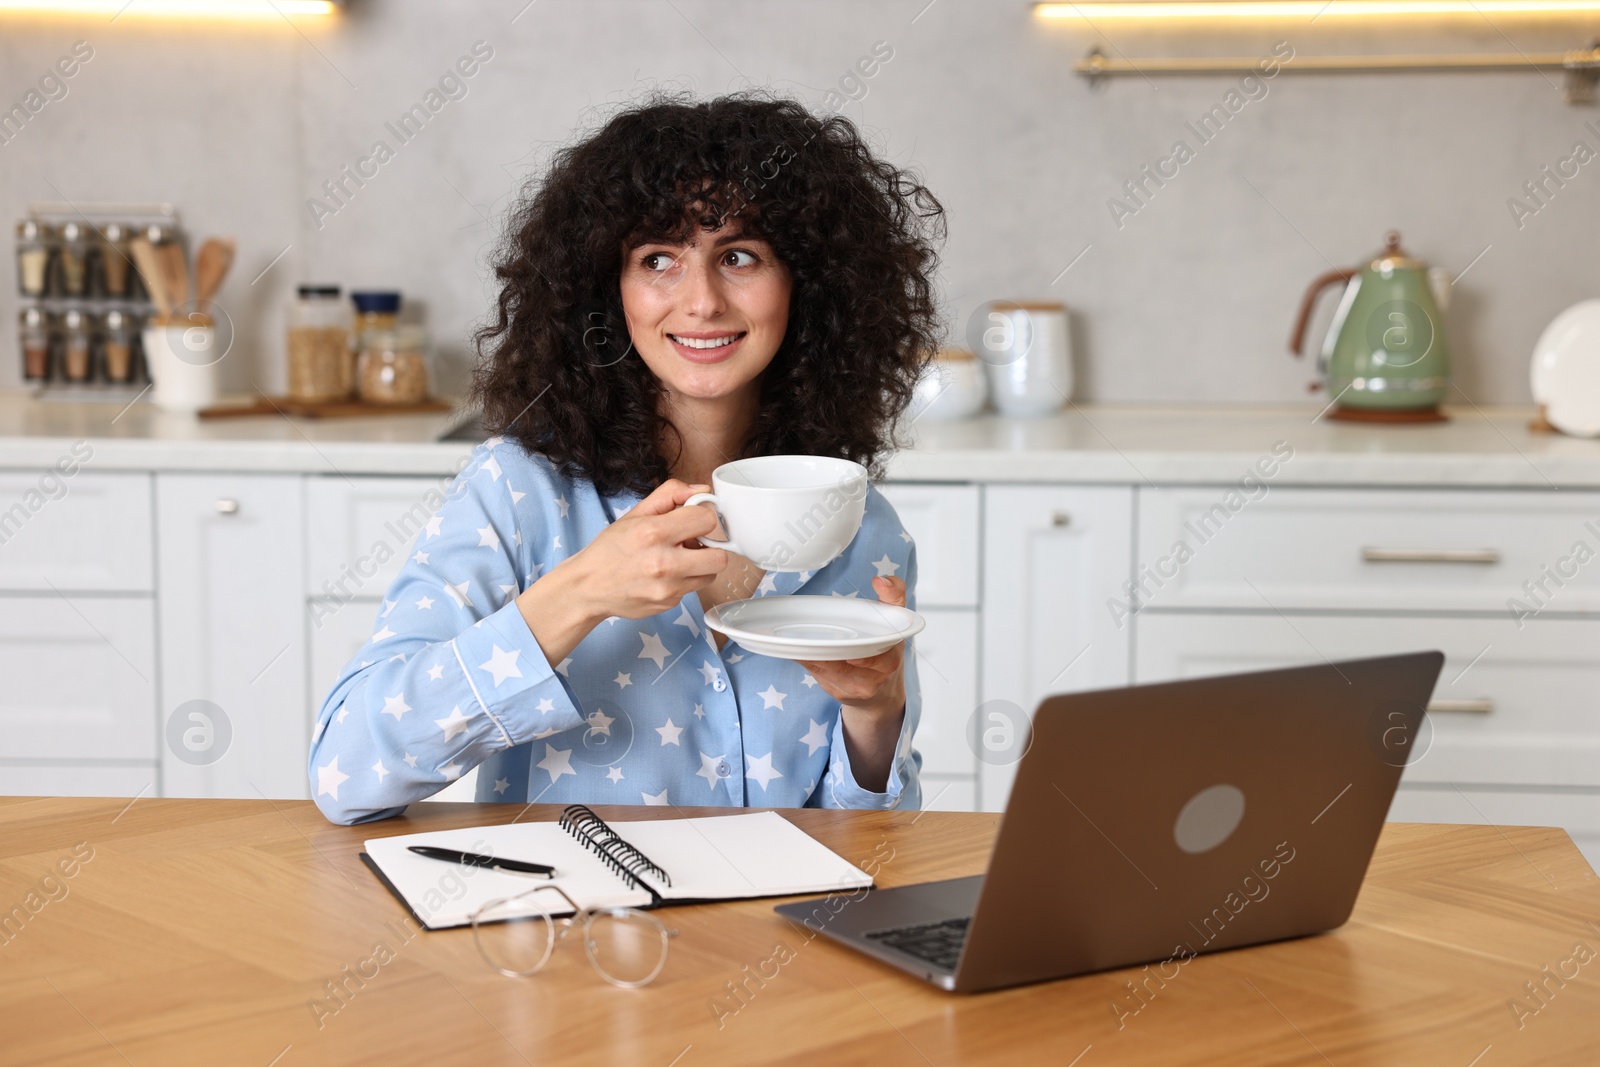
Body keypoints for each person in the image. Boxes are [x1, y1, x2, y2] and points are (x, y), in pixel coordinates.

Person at [308, 92, 946, 825]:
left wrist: (876, 713)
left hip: (779, 936)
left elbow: (878, 838)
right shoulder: (516, 492)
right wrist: (576, 594)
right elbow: (346, 771)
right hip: (574, 933)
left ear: (808, 285)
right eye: (658, 259)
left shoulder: (861, 528)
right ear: (607, 292)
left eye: (739, 256)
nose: (701, 300)